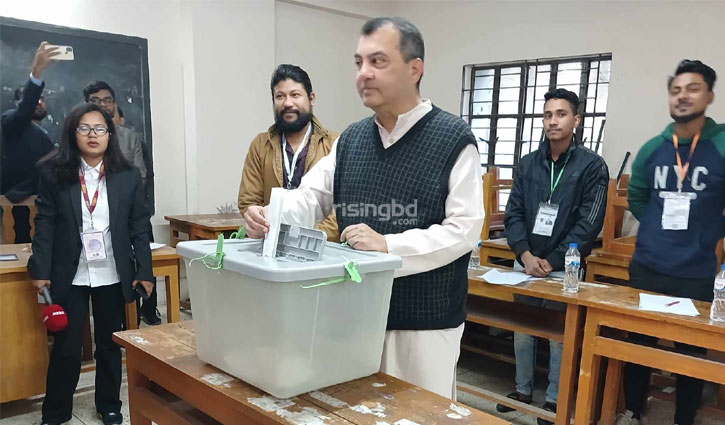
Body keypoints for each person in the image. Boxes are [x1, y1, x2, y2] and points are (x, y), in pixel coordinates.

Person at [243, 17, 483, 399]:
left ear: (414, 68)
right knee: (353, 409)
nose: (364, 74)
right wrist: (268, 217)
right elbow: (309, 198)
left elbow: (465, 229)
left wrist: (389, 247)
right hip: (354, 315)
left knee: (419, 414)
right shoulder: (351, 139)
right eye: (359, 63)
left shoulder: (453, 137)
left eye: (378, 62)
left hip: (423, 323)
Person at [28, 103, 154, 425]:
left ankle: (109, 405)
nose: (93, 135)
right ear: (73, 133)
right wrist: (40, 270)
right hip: (70, 272)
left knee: (110, 345)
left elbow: (140, 226)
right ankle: (56, 411)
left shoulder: (127, 177)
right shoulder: (55, 174)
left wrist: (144, 270)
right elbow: (44, 224)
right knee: (67, 347)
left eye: (100, 129)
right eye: (84, 128)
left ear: (110, 135)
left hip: (112, 271)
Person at [618, 60, 725, 425]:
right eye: (676, 90)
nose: (682, 97)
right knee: (638, 346)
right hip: (648, 265)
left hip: (694, 270)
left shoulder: (722, 144)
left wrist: (709, 229)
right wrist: (656, 229)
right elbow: (637, 196)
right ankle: (633, 411)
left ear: (709, 95)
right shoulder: (653, 148)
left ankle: (683, 419)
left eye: (692, 89)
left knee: (689, 355)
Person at [499, 88, 608, 423]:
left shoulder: (592, 166)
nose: (552, 121)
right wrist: (524, 253)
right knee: (522, 330)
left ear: (576, 120)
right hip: (527, 261)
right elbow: (513, 213)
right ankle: (522, 390)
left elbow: (588, 222)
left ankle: (553, 401)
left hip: (565, 266)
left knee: (561, 336)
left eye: (560, 114)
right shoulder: (528, 163)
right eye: (547, 115)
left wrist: (554, 260)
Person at [83, 81, 159, 325]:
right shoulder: (81, 138)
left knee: (139, 264)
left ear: (114, 103)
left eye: (107, 100)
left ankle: (147, 310)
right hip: (93, 222)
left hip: (129, 210)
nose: (103, 105)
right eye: (96, 101)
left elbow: (142, 173)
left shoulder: (130, 137)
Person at [238, 64, 339, 241]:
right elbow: (249, 201)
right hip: (270, 244)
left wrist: (307, 238)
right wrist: (255, 219)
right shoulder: (260, 145)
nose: (287, 103)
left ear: (311, 98)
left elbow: (341, 208)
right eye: (280, 96)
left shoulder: (335, 144)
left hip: (323, 249)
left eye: (295, 95)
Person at [1, 42, 58, 242]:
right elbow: (24, 111)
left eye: (42, 98)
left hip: (44, 207)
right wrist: (37, 73)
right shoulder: (10, 122)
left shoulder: (47, 134)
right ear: (19, 104)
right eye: (34, 98)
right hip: (16, 207)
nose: (39, 102)